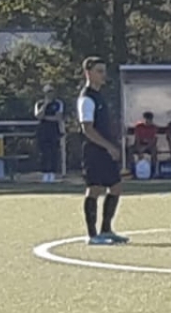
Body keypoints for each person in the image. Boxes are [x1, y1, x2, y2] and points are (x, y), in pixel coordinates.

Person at [74, 58, 126, 245]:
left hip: (105, 150)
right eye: (99, 71)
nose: (103, 75)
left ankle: (106, 229)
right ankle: (92, 235)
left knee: (116, 186)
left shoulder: (100, 96)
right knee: (95, 188)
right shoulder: (86, 98)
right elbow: (88, 129)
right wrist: (108, 146)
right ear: (88, 73)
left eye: (104, 71)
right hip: (94, 150)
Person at [33, 92, 65, 183]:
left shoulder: (58, 103)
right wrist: (45, 105)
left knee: (54, 152)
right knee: (44, 153)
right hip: (43, 131)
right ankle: (45, 174)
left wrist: (45, 117)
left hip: (54, 131)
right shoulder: (39, 103)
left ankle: (52, 174)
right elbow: (39, 116)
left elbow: (58, 117)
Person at [128, 112, 161, 177]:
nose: (147, 121)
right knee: (130, 150)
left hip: (149, 146)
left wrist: (145, 147)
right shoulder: (138, 127)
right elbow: (137, 139)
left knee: (154, 150)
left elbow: (154, 141)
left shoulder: (154, 128)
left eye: (149, 119)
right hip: (139, 144)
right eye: (146, 119)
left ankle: (153, 170)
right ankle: (132, 168)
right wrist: (139, 148)